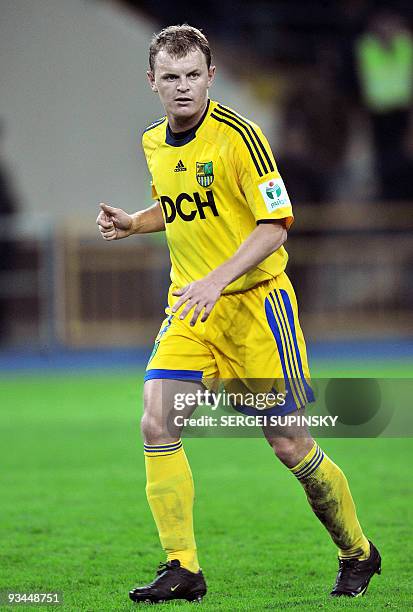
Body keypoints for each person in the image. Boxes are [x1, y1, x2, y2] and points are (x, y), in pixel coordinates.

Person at [96, 25, 381, 604]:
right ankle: (183, 568)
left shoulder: (240, 137)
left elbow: (274, 226)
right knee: (156, 421)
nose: (182, 87)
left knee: (290, 445)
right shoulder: (153, 142)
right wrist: (135, 223)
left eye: (193, 75)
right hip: (193, 311)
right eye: (170, 77)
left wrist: (216, 280)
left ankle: (359, 552)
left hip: (255, 308)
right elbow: (185, 207)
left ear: (210, 77)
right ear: (152, 82)